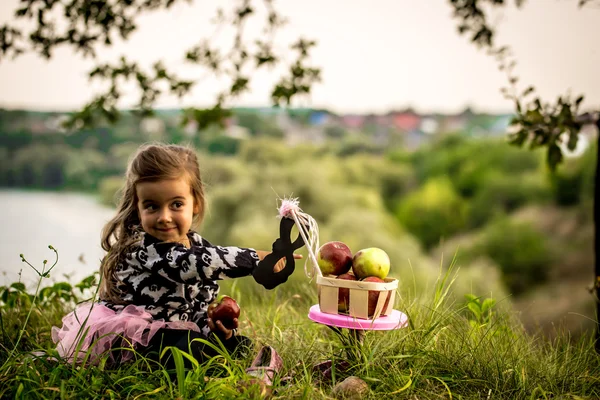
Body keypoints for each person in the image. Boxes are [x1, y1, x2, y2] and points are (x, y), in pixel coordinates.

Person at [51, 143, 298, 382]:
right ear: (138, 209)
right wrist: (254, 258)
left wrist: (213, 328)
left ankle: (211, 356)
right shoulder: (143, 248)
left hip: (179, 333)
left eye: (176, 204)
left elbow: (200, 303)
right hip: (137, 340)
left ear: (196, 204)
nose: (164, 217)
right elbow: (191, 264)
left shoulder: (198, 245)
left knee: (236, 345)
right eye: (151, 206)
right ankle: (196, 364)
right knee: (182, 346)